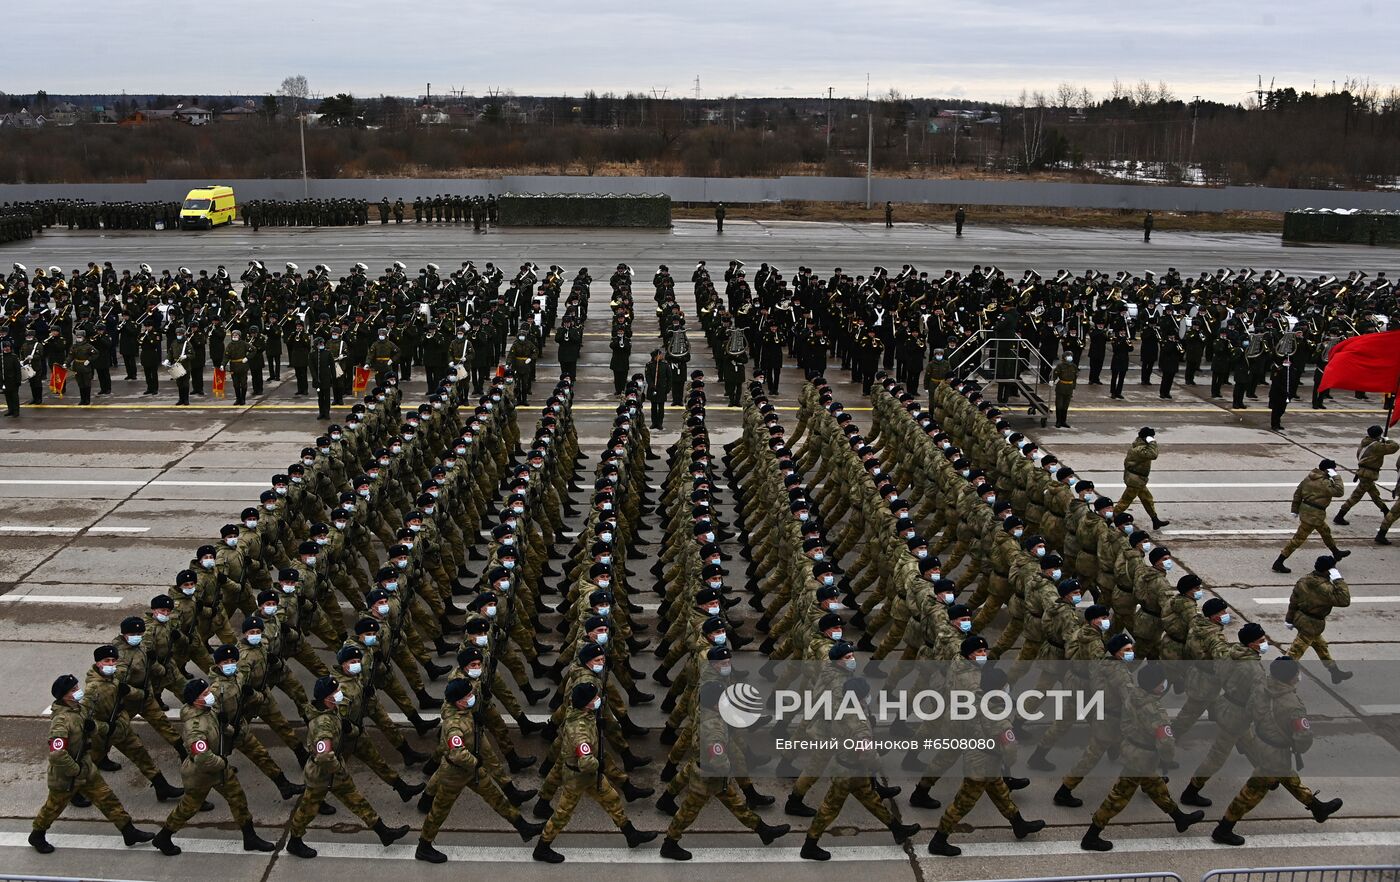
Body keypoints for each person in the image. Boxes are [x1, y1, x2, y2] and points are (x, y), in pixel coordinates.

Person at [1210, 657, 1342, 846]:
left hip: (1260, 742)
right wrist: (1296, 746)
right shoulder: (1293, 705)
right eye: (1297, 673)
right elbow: (1303, 739)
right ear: (1291, 678)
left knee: (1288, 777)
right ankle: (1223, 829)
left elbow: (1249, 710)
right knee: (1251, 793)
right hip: (1275, 753)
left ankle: (1317, 807)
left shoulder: (1260, 687)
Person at [1080, 662, 1203, 851]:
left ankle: (1180, 818)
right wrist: (1167, 758)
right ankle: (1091, 836)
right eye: (1161, 681)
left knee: (1156, 787)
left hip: (1131, 749)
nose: (1164, 683)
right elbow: (1166, 743)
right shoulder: (1156, 712)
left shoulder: (1133, 695)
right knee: (1117, 798)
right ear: (1157, 685)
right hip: (1141, 759)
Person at [285, 676, 409, 859]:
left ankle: (383, 832)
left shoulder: (331, 712)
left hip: (334, 772)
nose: (338, 694)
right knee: (307, 809)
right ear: (325, 698)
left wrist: (350, 730)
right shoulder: (322, 724)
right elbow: (324, 755)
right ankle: (294, 842)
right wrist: (338, 769)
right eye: (334, 693)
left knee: (357, 800)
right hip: (321, 775)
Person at [532, 682, 657, 863]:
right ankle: (542, 848)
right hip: (578, 777)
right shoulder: (579, 730)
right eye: (594, 698)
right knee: (562, 813)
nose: (599, 700)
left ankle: (631, 835)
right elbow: (586, 763)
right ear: (585, 703)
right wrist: (600, 763)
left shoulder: (583, 713)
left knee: (611, 798)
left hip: (589, 776)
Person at [30, 674, 154, 854]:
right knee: (53, 807)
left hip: (87, 769)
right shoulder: (61, 721)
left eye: (77, 687)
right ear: (64, 696)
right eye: (73, 690)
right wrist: (75, 770)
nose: (78, 691)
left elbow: (90, 725)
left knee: (107, 798)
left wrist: (98, 728)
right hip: (66, 775)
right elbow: (57, 754)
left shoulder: (78, 709)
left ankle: (128, 831)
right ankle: (37, 834)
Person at [151, 679, 277, 856]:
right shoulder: (195, 726)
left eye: (208, 691)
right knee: (189, 807)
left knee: (237, 798)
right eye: (205, 694)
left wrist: (226, 726)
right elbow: (203, 758)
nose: (210, 695)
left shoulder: (209, 711)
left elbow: (219, 731)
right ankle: (164, 836)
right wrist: (223, 763)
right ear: (195, 700)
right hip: (202, 773)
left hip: (217, 768)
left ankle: (250, 838)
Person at [1285, 555, 1353, 683]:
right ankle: (1278, 678)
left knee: (1321, 646)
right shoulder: (1326, 589)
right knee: (1294, 654)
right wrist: (1338, 579)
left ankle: (1335, 672)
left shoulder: (1304, 580)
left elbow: (1293, 600)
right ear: (1329, 570)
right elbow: (1345, 600)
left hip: (1300, 619)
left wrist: (1289, 619)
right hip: (1311, 625)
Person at [1274, 459, 1349, 573]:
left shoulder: (1308, 478)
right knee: (1298, 539)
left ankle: (1336, 552)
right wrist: (1336, 477)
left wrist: (1294, 509)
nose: (1334, 470)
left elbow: (1298, 493)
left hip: (1309, 512)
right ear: (1328, 470)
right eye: (1333, 469)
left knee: (1325, 532)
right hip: (1313, 515)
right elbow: (1339, 492)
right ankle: (1279, 562)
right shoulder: (1325, 483)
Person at [1335, 425, 1397, 524]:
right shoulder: (1376, 446)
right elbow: (1395, 447)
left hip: (1363, 472)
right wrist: (1387, 439)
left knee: (1374, 494)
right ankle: (1339, 516)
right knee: (1356, 496)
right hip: (1368, 474)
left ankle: (1386, 511)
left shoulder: (1365, 442)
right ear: (1378, 435)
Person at [1114, 427, 1169, 529]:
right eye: (1151, 436)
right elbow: (1153, 454)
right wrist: (1152, 442)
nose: (1153, 438)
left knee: (1147, 499)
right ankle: (1110, 518)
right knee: (1125, 501)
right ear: (1146, 437)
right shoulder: (1140, 449)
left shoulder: (1140, 446)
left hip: (1138, 479)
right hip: (1135, 480)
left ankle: (1155, 520)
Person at [645, 349, 673, 430]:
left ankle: (660, 423)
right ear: (655, 356)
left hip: (662, 389)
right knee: (653, 407)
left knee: (661, 407)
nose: (661, 356)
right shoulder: (649, 365)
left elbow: (669, 377)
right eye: (660, 355)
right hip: (653, 388)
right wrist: (651, 385)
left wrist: (668, 388)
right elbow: (648, 376)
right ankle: (654, 422)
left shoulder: (665, 364)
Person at [1052, 352, 1078, 428]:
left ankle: (1064, 421)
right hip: (1061, 387)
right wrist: (1052, 381)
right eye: (1068, 356)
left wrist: (1074, 387)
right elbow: (1055, 374)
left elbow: (1075, 378)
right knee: (1059, 405)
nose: (1070, 357)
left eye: (1070, 356)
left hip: (1069, 387)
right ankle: (1058, 422)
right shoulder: (1060, 366)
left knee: (1065, 406)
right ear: (1064, 358)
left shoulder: (1074, 366)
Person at [2, 336, 21, 416]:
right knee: (7, 396)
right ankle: (10, 410)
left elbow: (18, 370)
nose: (7, 348)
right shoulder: (1, 357)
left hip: (13, 380)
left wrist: (18, 380)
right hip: (4, 380)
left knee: (14, 397)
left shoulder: (14, 357)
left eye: (8, 347)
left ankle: (16, 411)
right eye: (5, 347)